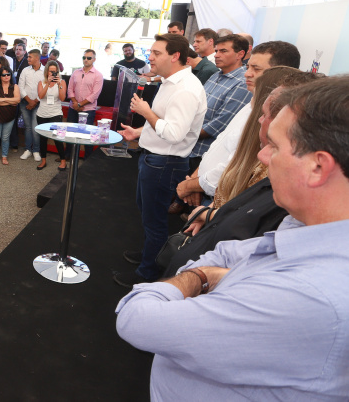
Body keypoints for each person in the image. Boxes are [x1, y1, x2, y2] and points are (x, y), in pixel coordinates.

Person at [116, 75, 349, 401]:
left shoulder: (310, 295)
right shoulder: (304, 227)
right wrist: (215, 274)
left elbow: (135, 318)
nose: (264, 158)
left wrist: (197, 277)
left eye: (275, 147)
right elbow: (229, 251)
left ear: (317, 167)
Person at [163, 71, 319, 278]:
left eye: (276, 147)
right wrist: (212, 214)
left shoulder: (284, 196)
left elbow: (245, 240)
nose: (263, 156)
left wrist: (211, 215)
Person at [115, 34, 207, 288]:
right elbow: (162, 122)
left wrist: (145, 112)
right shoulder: (170, 83)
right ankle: (149, 254)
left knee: (155, 221)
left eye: (156, 53)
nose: (150, 57)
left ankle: (148, 272)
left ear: (175, 56)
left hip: (165, 163)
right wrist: (139, 131)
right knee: (147, 215)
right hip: (154, 159)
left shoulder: (186, 89)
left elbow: (175, 134)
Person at [175, 41, 300, 205]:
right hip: (208, 191)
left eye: (256, 69)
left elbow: (235, 166)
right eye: (248, 67)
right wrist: (194, 181)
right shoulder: (250, 105)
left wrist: (191, 185)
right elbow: (220, 145)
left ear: (279, 74)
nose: (247, 74)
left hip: (222, 199)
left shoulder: (270, 118)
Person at [187, 35, 251, 172]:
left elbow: (218, 126)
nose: (217, 55)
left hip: (203, 156)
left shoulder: (242, 83)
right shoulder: (215, 75)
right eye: (216, 51)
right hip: (189, 147)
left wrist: (181, 134)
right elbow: (197, 107)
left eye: (223, 51)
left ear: (240, 54)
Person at [36, 60, 67, 170]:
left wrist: (59, 85)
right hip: (42, 113)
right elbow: (40, 96)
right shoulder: (41, 82)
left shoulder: (62, 82)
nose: (53, 74)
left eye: (55, 72)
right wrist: (48, 84)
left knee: (57, 138)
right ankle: (43, 160)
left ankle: (63, 161)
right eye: (51, 72)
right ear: (46, 72)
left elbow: (63, 98)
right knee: (43, 139)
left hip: (55, 113)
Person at [0, 62, 21, 165]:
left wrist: (2, 100)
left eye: (8, 74)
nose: (6, 76)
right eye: (4, 75)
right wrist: (11, 101)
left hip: (10, 116)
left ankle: (4, 156)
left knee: (6, 138)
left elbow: (18, 100)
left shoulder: (15, 86)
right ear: (0, 76)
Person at [17, 49, 46, 161]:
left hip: (38, 104)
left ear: (37, 58)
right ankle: (28, 149)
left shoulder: (44, 71)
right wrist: (29, 101)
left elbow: (45, 88)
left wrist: (35, 101)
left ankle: (36, 150)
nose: (27, 59)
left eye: (30, 57)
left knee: (35, 128)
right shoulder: (25, 70)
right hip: (25, 102)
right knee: (28, 128)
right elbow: (20, 87)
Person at [66, 49, 103, 126]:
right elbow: (70, 89)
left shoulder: (98, 75)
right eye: (84, 58)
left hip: (88, 111)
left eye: (89, 58)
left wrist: (79, 105)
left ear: (94, 59)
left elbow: (94, 95)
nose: (86, 60)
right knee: (69, 134)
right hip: (73, 108)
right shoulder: (76, 72)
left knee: (84, 136)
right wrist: (75, 103)